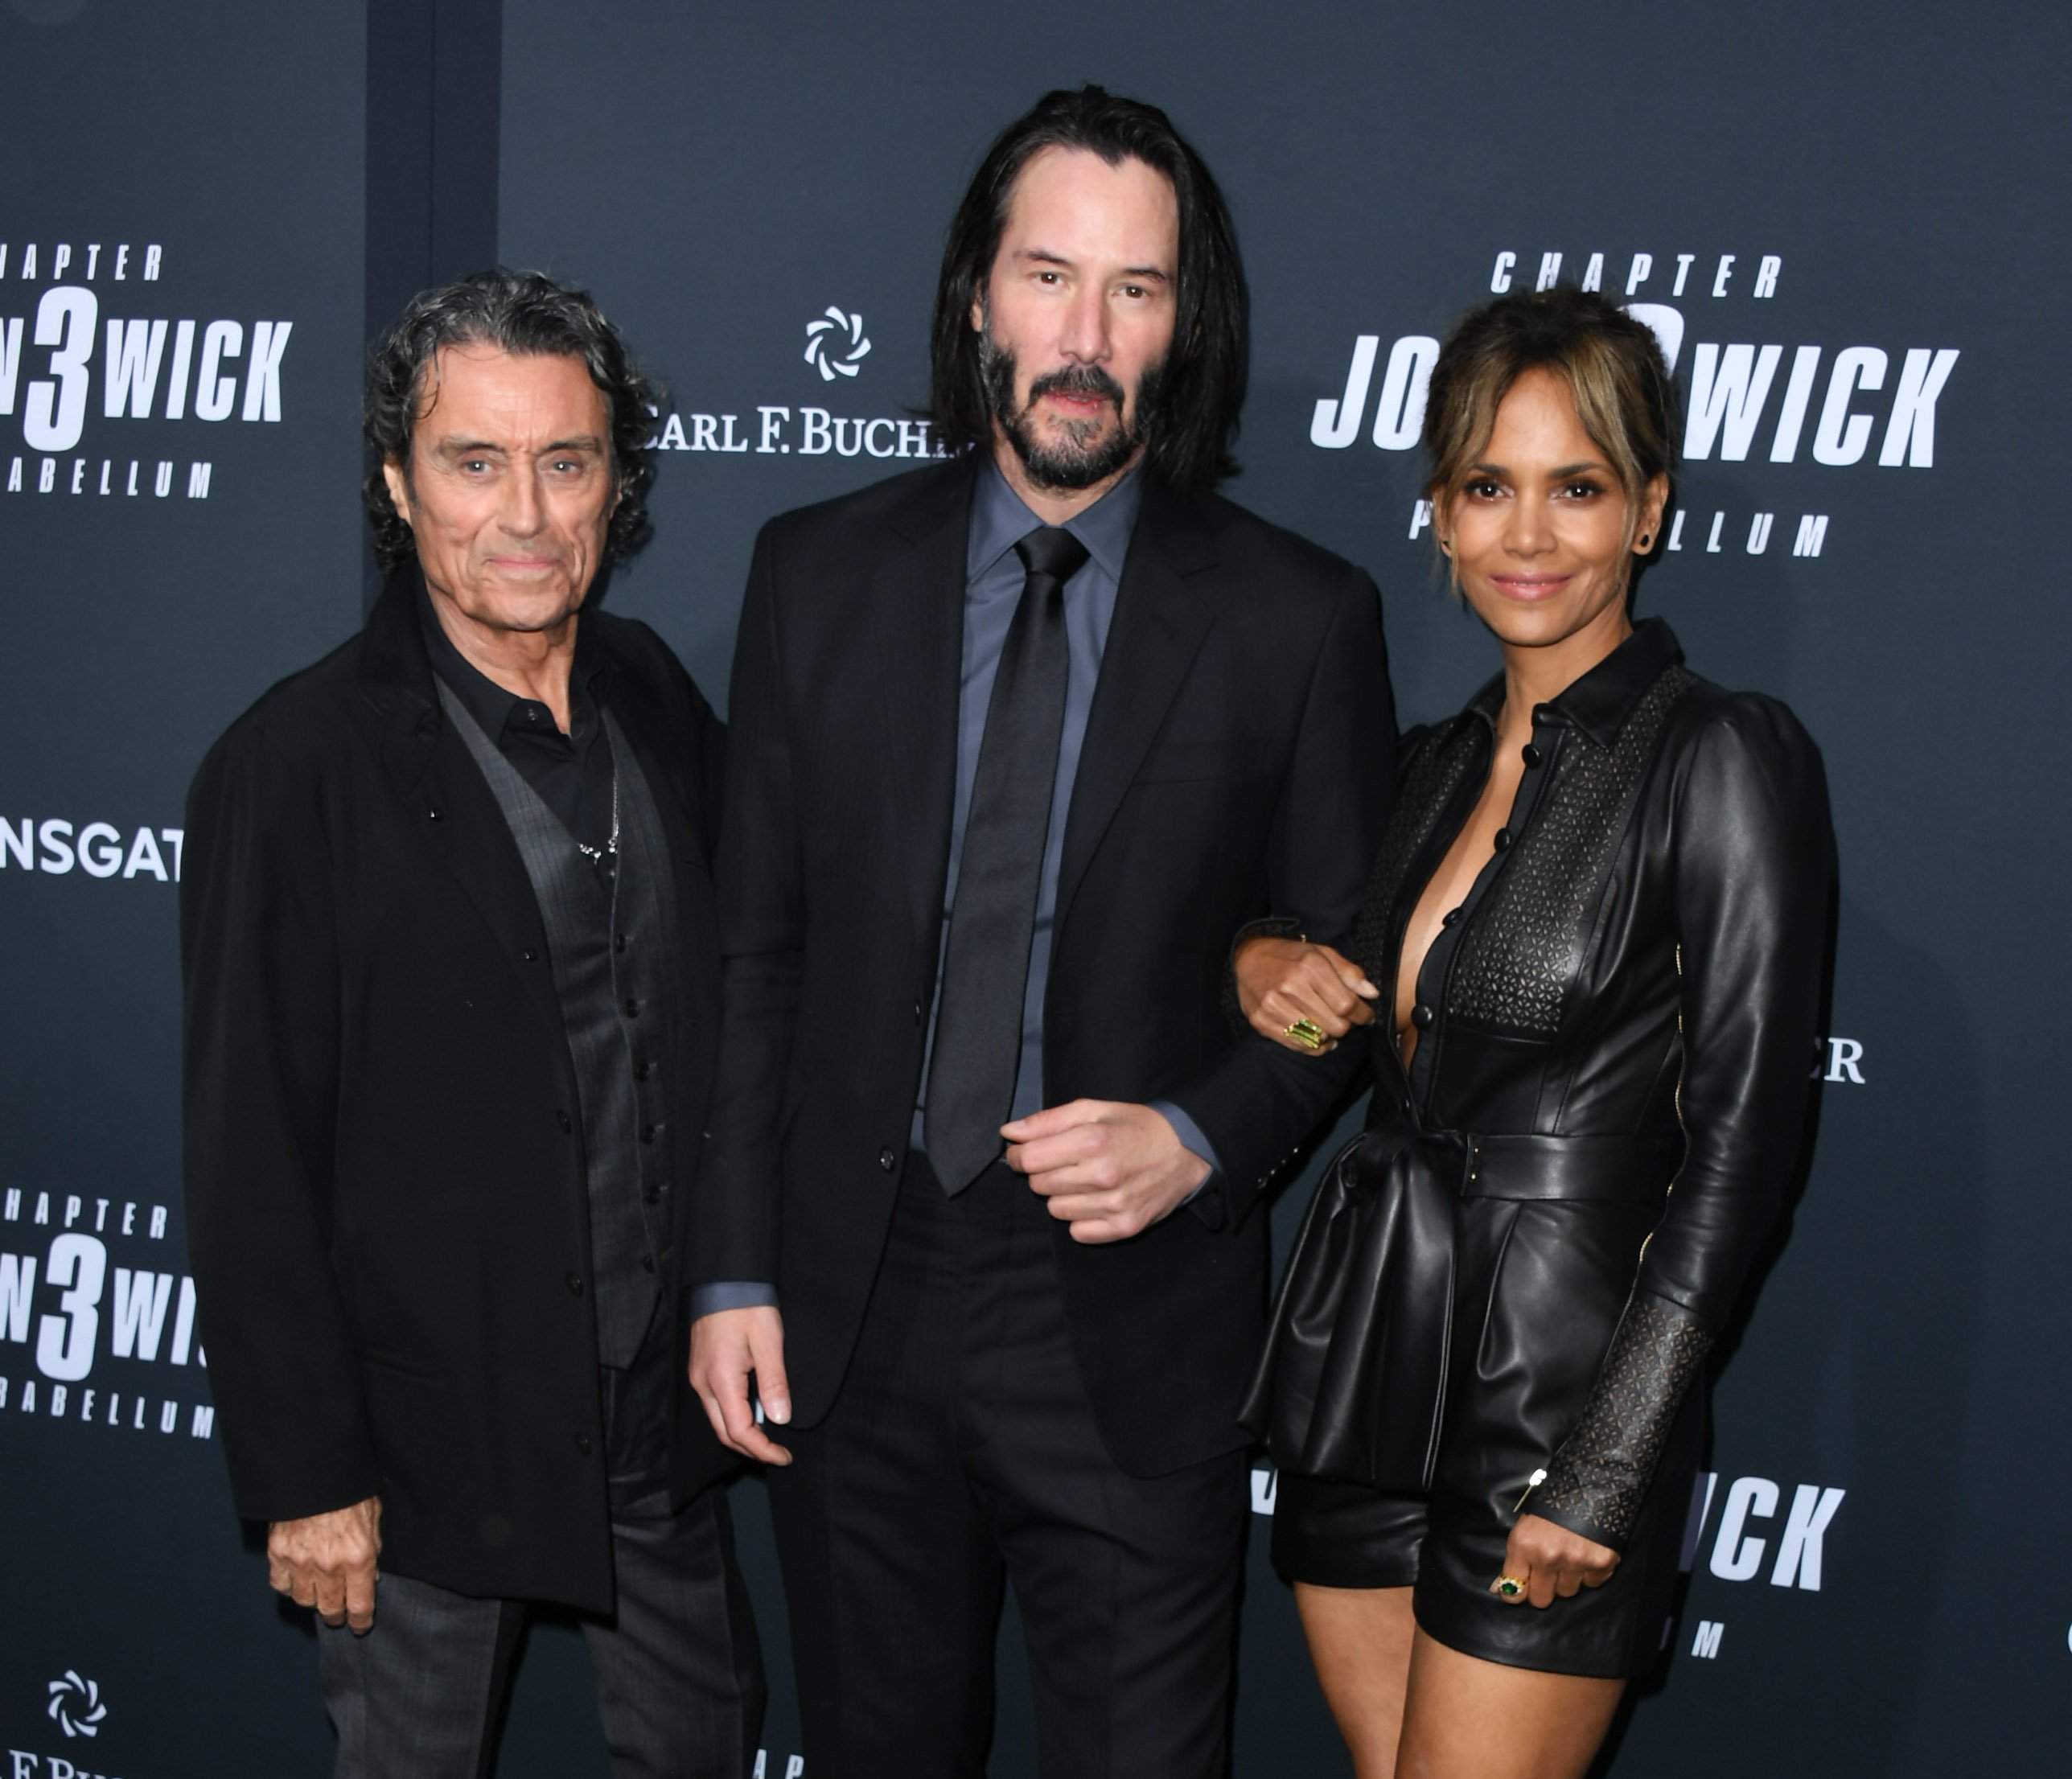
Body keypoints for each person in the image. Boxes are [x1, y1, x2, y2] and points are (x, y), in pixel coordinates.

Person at [686, 85, 1393, 1777]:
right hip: (855, 1300)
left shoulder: (1298, 619)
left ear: (1184, 324)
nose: (1083, 335)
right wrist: (729, 1264)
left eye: (1133, 290)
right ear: (974, 298)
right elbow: (754, 951)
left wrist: (1201, 1131)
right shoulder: (815, 574)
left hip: (1132, 1321)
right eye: (1047, 275)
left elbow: (1341, 978)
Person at [1233, 286, 1833, 1779]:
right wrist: (1256, 954)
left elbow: (1745, 1148)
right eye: (1489, 488)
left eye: (1578, 488)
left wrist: (1615, 1460)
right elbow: (1305, 955)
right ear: (1438, 514)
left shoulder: (1721, 752)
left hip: (1559, 1398)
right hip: (1369, 1365)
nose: (1529, 535)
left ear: (1648, 511)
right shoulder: (1425, 767)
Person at [182, 269, 763, 1777]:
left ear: (615, 483)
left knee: (704, 1747)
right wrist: (310, 1476)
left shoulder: (649, 691)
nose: (525, 514)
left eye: (565, 462)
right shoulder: (293, 767)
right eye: (473, 461)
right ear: (397, 482)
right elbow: (252, 1152)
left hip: (654, 1416)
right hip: (425, 1449)